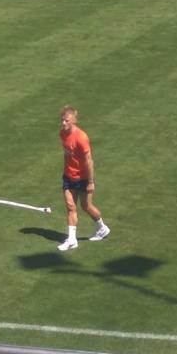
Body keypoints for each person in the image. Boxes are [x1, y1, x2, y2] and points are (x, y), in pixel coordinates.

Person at [57, 105, 111, 251]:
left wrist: (90, 181)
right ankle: (72, 239)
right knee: (70, 206)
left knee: (86, 206)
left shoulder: (81, 137)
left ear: (74, 120)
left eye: (67, 120)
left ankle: (102, 228)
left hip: (83, 178)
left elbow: (89, 160)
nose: (63, 123)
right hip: (68, 176)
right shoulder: (62, 134)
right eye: (62, 120)